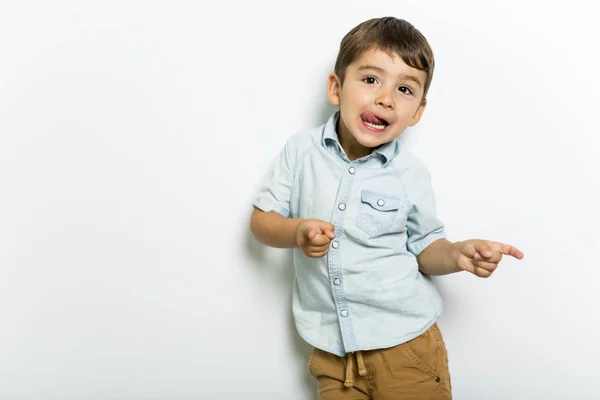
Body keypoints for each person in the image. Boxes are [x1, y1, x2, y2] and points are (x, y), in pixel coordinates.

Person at [249, 16, 524, 400]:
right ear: (335, 86)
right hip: (333, 354)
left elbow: (426, 250)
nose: (386, 98)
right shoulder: (301, 152)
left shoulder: (409, 173)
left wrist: (457, 252)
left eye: (405, 89)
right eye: (371, 79)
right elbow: (262, 222)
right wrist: (296, 232)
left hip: (406, 347)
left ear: (418, 112)